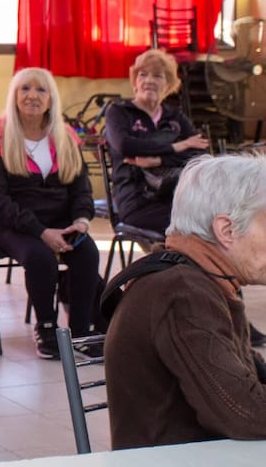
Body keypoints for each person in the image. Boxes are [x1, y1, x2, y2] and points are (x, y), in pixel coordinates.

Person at [104, 153, 266, 448]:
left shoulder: (197, 279)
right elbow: (245, 413)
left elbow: (248, 377)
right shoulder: (183, 293)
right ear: (226, 230)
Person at [0, 67, 101, 359]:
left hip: (59, 221)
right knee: (40, 258)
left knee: (88, 254)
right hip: (10, 222)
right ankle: (46, 328)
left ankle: (81, 331)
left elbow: (81, 189)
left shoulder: (66, 136)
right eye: (25, 89)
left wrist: (81, 221)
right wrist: (41, 232)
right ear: (15, 95)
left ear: (50, 99)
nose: (32, 95)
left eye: (40, 90)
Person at [104, 48, 210, 233]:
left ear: (168, 85)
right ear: (135, 82)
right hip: (137, 202)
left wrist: (160, 160)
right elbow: (126, 145)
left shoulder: (175, 117)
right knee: (193, 228)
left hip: (176, 197)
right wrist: (177, 146)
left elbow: (201, 155)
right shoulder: (119, 113)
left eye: (158, 76)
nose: (149, 81)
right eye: (142, 75)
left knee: (217, 220)